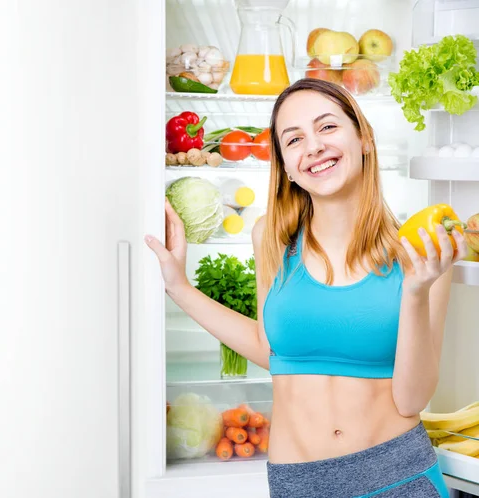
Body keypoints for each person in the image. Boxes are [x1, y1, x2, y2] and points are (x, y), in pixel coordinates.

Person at [144, 78, 468, 497]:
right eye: (294, 139)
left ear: (364, 138)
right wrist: (179, 287)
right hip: (298, 484)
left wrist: (417, 289)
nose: (313, 146)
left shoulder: (420, 251)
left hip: (396, 475)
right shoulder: (272, 239)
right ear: (287, 166)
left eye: (328, 127)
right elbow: (271, 348)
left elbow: (412, 400)